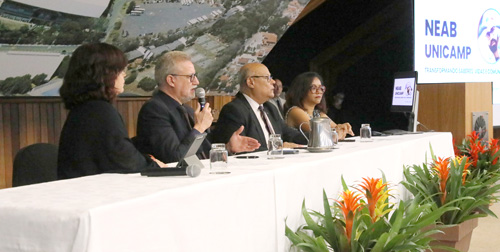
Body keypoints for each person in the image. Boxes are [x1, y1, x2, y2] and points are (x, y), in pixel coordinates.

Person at [58, 43, 164, 179]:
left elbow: (120, 153)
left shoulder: (85, 109)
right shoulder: (101, 112)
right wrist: (157, 167)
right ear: (104, 75)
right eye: (119, 70)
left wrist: (147, 160)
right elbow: (128, 163)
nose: (124, 75)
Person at [135, 51, 260, 163]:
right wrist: (199, 127)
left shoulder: (187, 110)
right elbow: (174, 159)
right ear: (171, 80)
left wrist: (228, 148)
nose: (196, 82)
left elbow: (202, 155)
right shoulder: (154, 110)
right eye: (191, 77)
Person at [213, 63, 307, 151]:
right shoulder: (234, 110)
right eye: (268, 78)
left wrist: (316, 136)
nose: (273, 82)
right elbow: (241, 150)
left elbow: (290, 134)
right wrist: (277, 149)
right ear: (251, 82)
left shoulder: (270, 108)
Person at [284, 72, 354, 139]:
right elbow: (321, 134)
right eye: (313, 88)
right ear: (301, 91)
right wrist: (337, 132)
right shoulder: (295, 111)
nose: (319, 91)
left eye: (321, 88)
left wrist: (342, 127)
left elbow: (336, 130)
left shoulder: (318, 113)